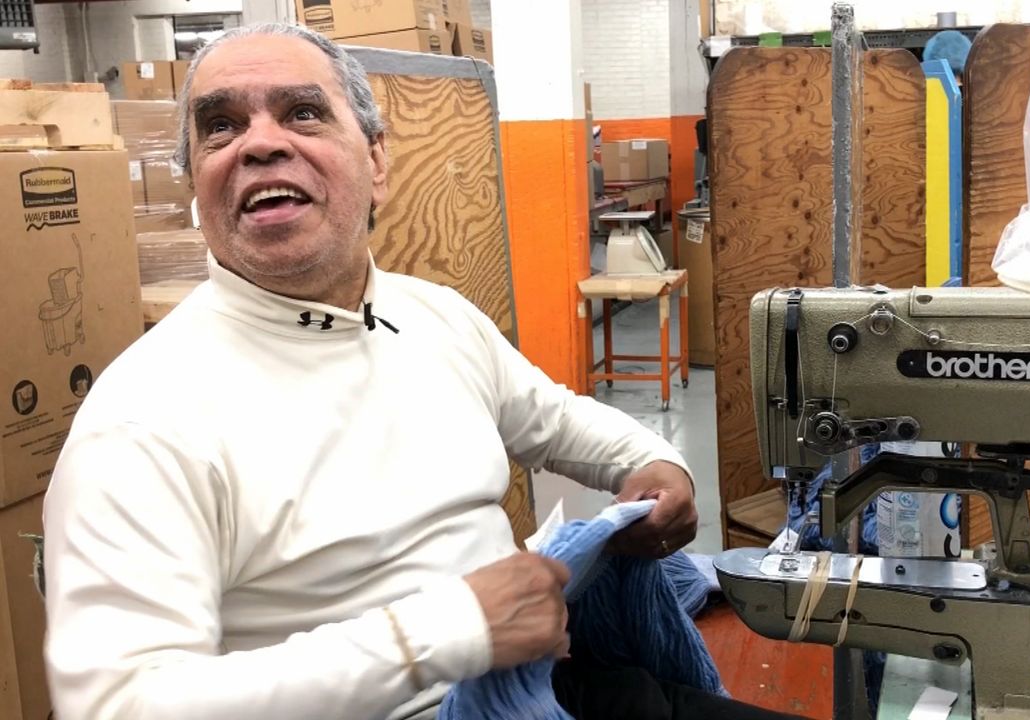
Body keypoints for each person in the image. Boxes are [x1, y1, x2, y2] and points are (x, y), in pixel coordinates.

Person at [42, 23, 805, 720]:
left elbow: (555, 417)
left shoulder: (433, 316)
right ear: (195, 183)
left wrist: (656, 462)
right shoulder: (142, 417)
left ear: (376, 161)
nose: (260, 143)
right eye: (221, 125)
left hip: (541, 686)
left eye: (302, 113)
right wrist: (446, 633)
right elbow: (118, 703)